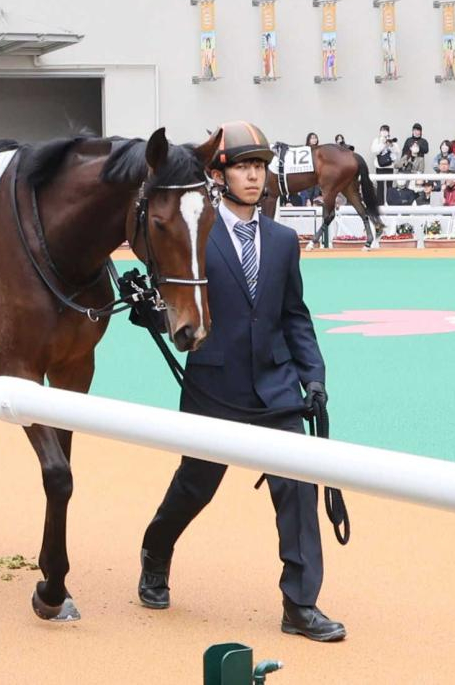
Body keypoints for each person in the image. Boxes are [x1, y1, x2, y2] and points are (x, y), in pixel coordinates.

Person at [138, 122, 344, 644]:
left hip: (276, 387)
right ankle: (156, 551)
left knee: (296, 488)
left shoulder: (281, 241)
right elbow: (177, 298)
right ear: (220, 174)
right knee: (195, 486)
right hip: (213, 385)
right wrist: (154, 314)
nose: (254, 176)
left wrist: (313, 376)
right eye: (243, 166)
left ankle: (300, 603)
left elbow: (295, 314)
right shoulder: (197, 233)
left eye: (260, 166)